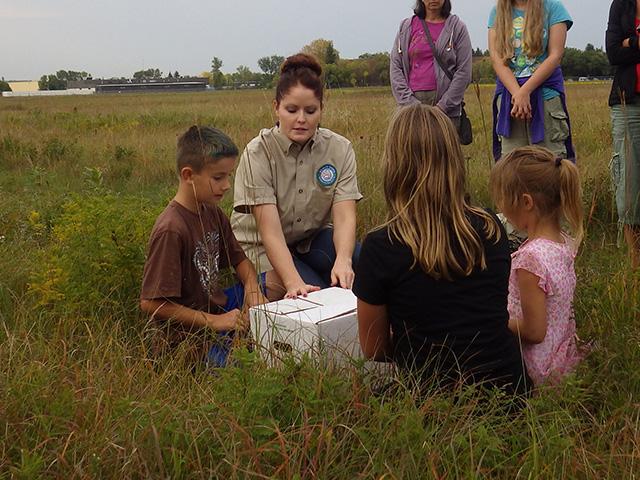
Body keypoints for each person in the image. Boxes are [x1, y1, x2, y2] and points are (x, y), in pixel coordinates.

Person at [353, 104, 530, 396]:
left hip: (432, 401)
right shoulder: (489, 227)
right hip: (511, 391)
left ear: (394, 164)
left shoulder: (381, 245)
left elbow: (374, 349)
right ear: (455, 159)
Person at [140, 126, 275, 367]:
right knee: (241, 370)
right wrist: (215, 321)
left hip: (218, 309)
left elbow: (239, 260)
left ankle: (247, 335)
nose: (226, 186)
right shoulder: (172, 229)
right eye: (218, 178)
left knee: (275, 282)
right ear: (188, 175)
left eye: (228, 176)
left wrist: (252, 288)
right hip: (188, 335)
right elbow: (152, 303)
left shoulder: (211, 211)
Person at [231, 54, 363, 299]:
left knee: (362, 262)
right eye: (292, 110)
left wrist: (343, 261)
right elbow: (269, 231)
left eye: (310, 111)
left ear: (321, 109)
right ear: (276, 108)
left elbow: (344, 215)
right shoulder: (257, 153)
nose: (301, 119)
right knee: (315, 298)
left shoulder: (339, 148)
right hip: (261, 247)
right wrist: (293, 282)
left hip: (309, 239)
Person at [489, 146, 583, 386]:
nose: (501, 209)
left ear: (526, 202)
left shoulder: (530, 260)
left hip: (534, 369)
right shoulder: (562, 243)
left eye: (503, 199)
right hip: (560, 358)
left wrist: (494, 321)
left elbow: (534, 331)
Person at [488, 0, 575, 161]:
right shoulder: (497, 12)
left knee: (550, 165)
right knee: (512, 168)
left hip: (545, 98)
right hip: (510, 101)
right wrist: (518, 94)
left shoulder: (554, 8)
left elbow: (555, 55)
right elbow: (497, 59)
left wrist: (525, 90)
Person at [390, 0, 472, 130]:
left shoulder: (457, 28)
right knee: (412, 150)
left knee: (443, 150)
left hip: (446, 110)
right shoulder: (406, 27)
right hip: (410, 110)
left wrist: (442, 107)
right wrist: (411, 105)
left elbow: (464, 72)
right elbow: (396, 67)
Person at [606, 0, 640, 269]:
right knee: (628, 179)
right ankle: (633, 261)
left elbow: (623, 47)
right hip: (627, 101)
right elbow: (613, 53)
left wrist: (631, 42)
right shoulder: (621, 4)